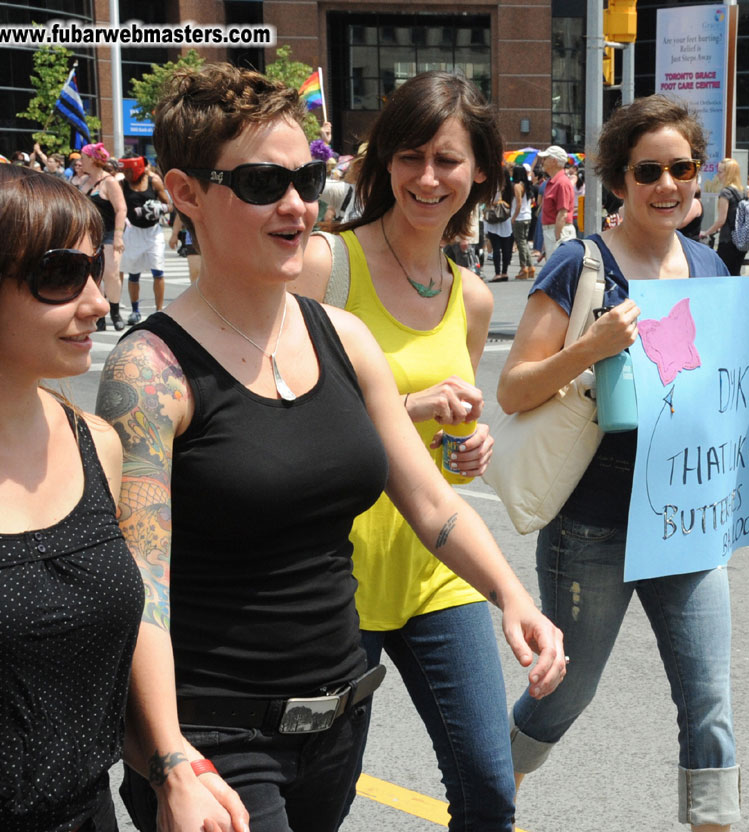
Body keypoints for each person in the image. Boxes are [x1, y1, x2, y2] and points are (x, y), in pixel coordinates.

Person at [97, 63, 565, 832]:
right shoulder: (151, 370)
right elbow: (140, 585)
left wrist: (512, 597)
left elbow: (430, 504)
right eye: (259, 183)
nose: (294, 206)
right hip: (216, 737)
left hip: (338, 720)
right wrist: (170, 758)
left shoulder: (341, 338)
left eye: (307, 179)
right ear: (185, 194)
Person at [291, 70, 537, 831]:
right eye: (409, 156)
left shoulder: (472, 296)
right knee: (317, 802)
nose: (427, 178)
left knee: (489, 789)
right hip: (334, 577)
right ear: (382, 164)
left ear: (481, 172)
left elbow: (448, 437)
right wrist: (406, 407)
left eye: (448, 160)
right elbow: (280, 418)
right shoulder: (326, 267)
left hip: (435, 570)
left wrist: (467, 444)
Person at [501, 94, 738, 832]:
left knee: (709, 699)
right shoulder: (581, 264)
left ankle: (713, 821)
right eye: (648, 171)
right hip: (593, 526)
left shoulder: (708, 264)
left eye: (682, 168)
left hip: (686, 522)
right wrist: (590, 347)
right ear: (618, 180)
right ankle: (487, 786)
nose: (667, 184)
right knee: (567, 689)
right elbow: (512, 388)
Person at [0, 157, 143, 832]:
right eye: (61, 276)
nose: (96, 302)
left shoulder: (98, 443)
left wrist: (177, 763)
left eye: (95, 271)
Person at [74, 142, 127, 330]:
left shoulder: (109, 182)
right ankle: (101, 314)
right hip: (89, 235)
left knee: (111, 273)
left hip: (110, 232)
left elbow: (121, 208)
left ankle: (115, 311)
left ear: (92, 159)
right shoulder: (82, 182)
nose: (80, 161)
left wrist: (119, 236)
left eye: (83, 157)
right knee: (94, 275)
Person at [120, 155, 173, 323]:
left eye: (129, 170)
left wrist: (158, 209)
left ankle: (159, 310)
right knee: (133, 273)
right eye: (124, 170)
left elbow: (170, 204)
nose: (126, 174)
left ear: (137, 168)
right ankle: (135, 310)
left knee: (158, 271)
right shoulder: (122, 184)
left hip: (153, 232)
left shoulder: (153, 180)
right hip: (133, 232)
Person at [700, 157, 746, 275]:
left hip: (728, 240)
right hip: (742, 240)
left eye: (720, 172)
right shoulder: (742, 192)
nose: (718, 175)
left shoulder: (726, 193)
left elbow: (721, 220)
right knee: (736, 273)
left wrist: (706, 232)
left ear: (728, 174)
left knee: (724, 274)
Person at [538, 145, 576, 257]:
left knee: (559, 270)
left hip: (559, 231)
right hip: (555, 230)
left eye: (545, 159)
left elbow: (562, 214)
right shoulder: (555, 181)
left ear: (554, 161)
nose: (542, 161)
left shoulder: (561, 182)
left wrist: (557, 238)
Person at [486, 167, 517, 282]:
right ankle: (505, 272)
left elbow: (489, 202)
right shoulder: (511, 188)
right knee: (506, 248)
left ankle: (497, 273)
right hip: (506, 220)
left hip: (494, 221)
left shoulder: (494, 188)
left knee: (496, 248)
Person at [511, 164, 536, 280]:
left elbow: (518, 203)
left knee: (520, 243)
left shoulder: (517, 186)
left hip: (520, 217)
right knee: (524, 242)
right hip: (527, 216)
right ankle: (530, 267)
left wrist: (514, 217)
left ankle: (523, 268)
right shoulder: (527, 185)